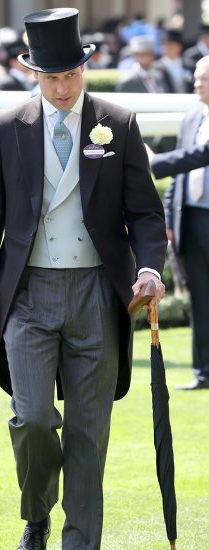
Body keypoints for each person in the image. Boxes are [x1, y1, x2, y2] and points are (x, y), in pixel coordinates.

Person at [0, 8, 166, 550]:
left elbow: (145, 215)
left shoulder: (117, 123)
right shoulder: (5, 126)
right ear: (32, 72)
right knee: (32, 419)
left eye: (70, 73)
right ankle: (35, 522)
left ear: (85, 65)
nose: (61, 86)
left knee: (89, 430)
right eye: (50, 76)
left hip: (97, 295)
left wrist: (150, 267)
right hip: (26, 296)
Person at [149, 56, 209, 391]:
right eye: (197, 78)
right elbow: (179, 180)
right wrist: (170, 219)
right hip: (194, 219)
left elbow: (203, 153)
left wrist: (155, 162)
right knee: (200, 297)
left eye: (203, 79)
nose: (196, 84)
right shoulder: (191, 118)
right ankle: (204, 372)